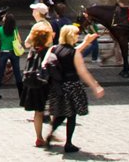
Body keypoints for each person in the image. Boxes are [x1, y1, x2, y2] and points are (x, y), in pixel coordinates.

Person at [44, 24, 105, 155]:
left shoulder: (54, 49)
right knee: (71, 115)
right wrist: (95, 86)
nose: (78, 36)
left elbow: (45, 64)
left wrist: (86, 42)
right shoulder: (74, 53)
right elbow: (83, 72)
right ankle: (68, 143)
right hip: (72, 86)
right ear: (72, 36)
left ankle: (49, 135)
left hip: (58, 86)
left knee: (60, 114)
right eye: (76, 34)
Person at [21, 25, 55, 147]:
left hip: (33, 84)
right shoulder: (48, 51)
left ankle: (39, 137)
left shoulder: (32, 50)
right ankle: (51, 133)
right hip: (45, 84)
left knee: (38, 112)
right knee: (53, 111)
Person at [0, 12, 22, 100]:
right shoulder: (15, 29)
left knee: (0, 72)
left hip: (4, 52)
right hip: (14, 52)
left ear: (6, 20)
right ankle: (21, 93)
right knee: (17, 72)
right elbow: (19, 41)